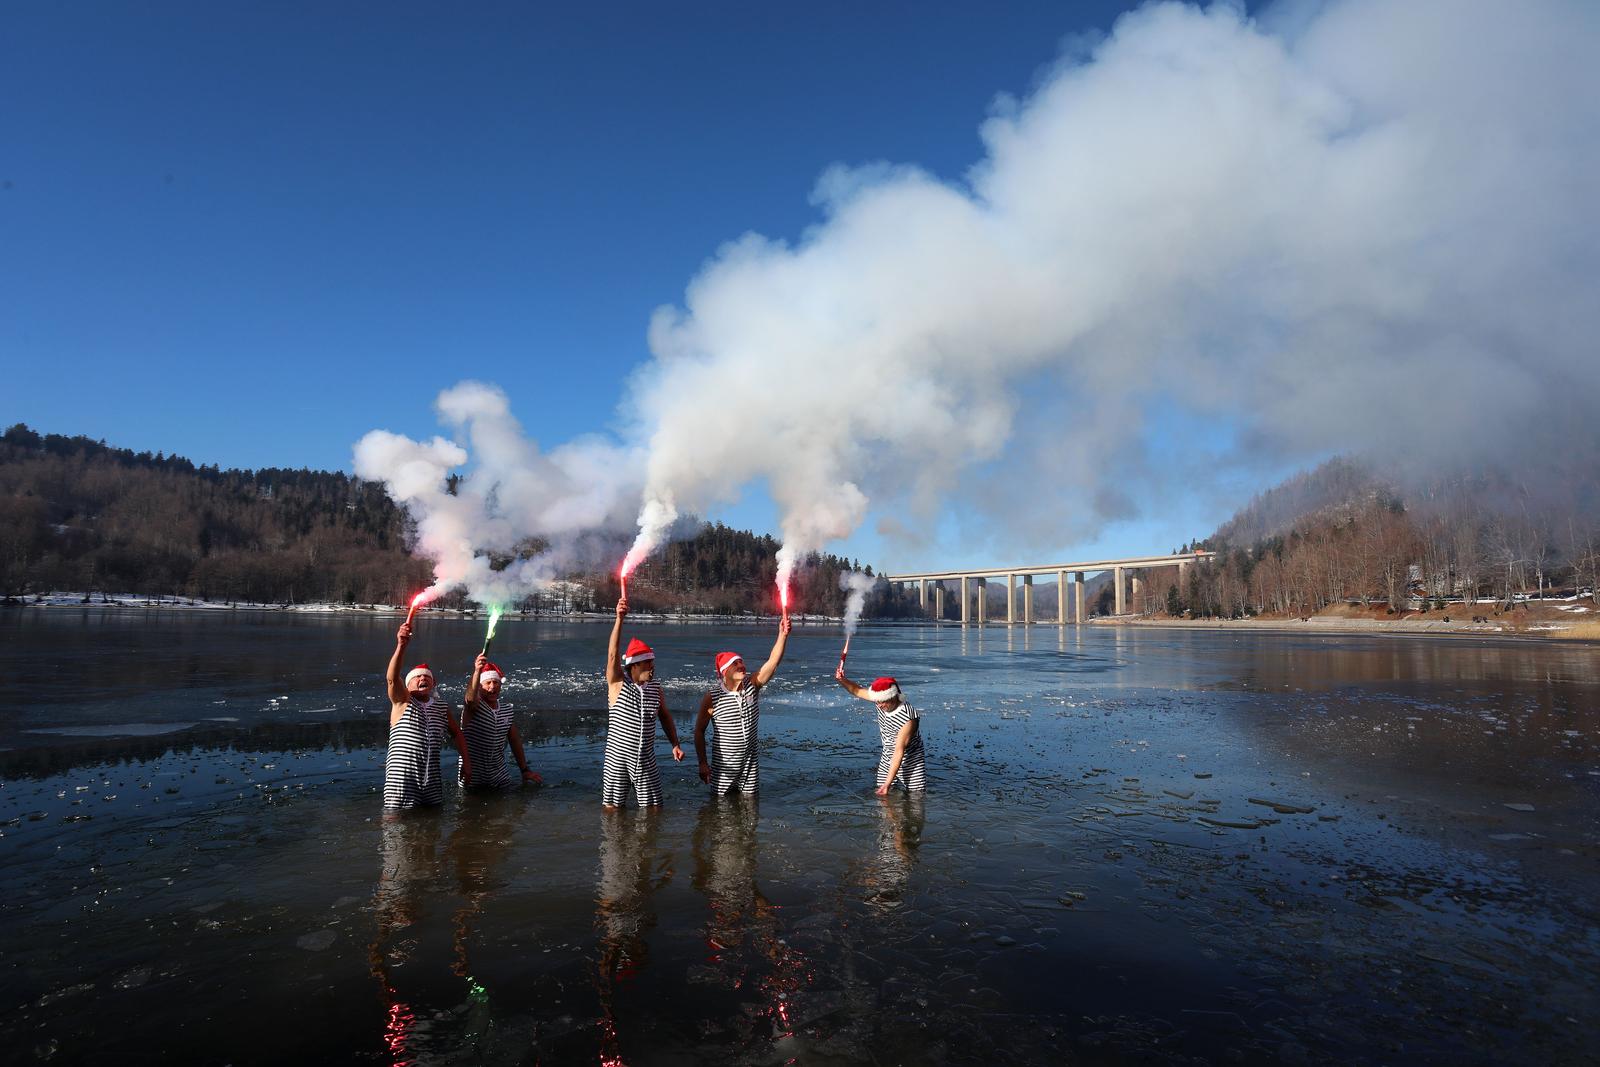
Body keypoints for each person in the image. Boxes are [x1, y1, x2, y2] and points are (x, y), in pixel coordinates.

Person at [695, 615, 792, 796]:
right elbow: (699, 730)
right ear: (724, 672)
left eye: (741, 662)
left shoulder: (752, 686)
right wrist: (702, 763)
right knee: (719, 809)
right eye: (735, 664)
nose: (741, 665)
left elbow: (772, 662)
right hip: (724, 766)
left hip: (749, 765)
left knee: (750, 810)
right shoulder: (712, 696)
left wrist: (783, 635)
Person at [602, 597, 684, 809]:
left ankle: (648, 841)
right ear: (633, 666)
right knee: (612, 808)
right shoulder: (618, 683)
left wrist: (674, 743)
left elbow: (664, 715)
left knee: (654, 808)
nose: (652, 666)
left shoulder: (655, 687)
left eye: (652, 661)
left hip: (645, 757)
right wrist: (619, 619)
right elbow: (612, 656)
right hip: (617, 757)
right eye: (647, 662)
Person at [384, 621, 471, 809]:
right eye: (417, 677)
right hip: (403, 778)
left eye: (427, 677)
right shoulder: (402, 701)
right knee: (396, 823)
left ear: (433, 684)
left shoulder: (440, 706)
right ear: (407, 685)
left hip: (431, 777)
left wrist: (466, 762)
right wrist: (401, 645)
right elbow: (392, 678)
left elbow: (456, 733)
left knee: (432, 822)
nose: (423, 678)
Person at [834, 668, 925, 795]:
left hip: (910, 759)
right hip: (888, 754)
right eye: (877, 701)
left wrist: (888, 783)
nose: (879, 705)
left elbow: (899, 751)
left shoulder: (908, 718)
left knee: (916, 797)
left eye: (882, 702)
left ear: (892, 697)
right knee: (883, 796)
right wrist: (842, 680)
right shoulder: (881, 699)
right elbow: (857, 691)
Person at [458, 653, 540, 790]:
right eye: (488, 683)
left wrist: (525, 770)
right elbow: (470, 698)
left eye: (496, 682)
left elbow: (515, 741)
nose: (492, 687)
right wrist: (477, 670)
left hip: (500, 776)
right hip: (473, 777)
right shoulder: (474, 708)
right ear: (480, 687)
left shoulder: (506, 709)